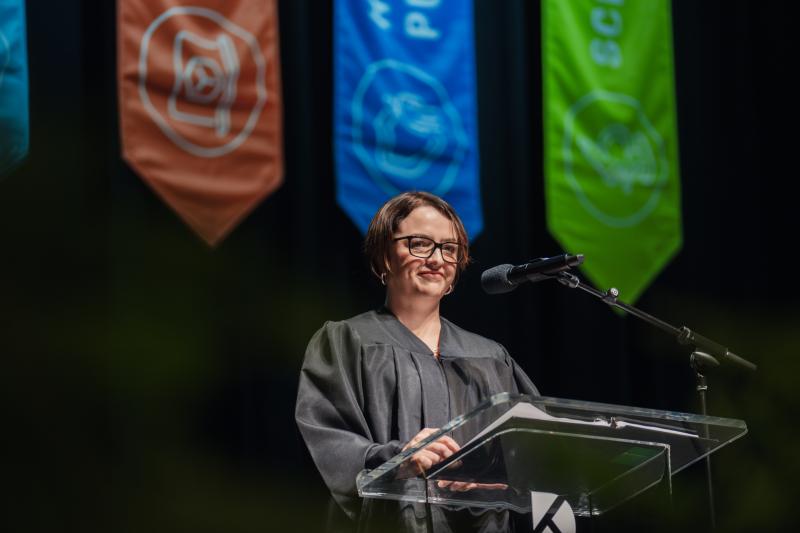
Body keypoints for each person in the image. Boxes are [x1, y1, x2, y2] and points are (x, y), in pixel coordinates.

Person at [295, 192, 539, 532]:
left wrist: (497, 476)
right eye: (419, 244)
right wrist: (395, 460)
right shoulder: (346, 342)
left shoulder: (492, 358)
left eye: (449, 249)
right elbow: (327, 443)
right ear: (384, 256)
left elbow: (536, 449)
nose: (437, 259)